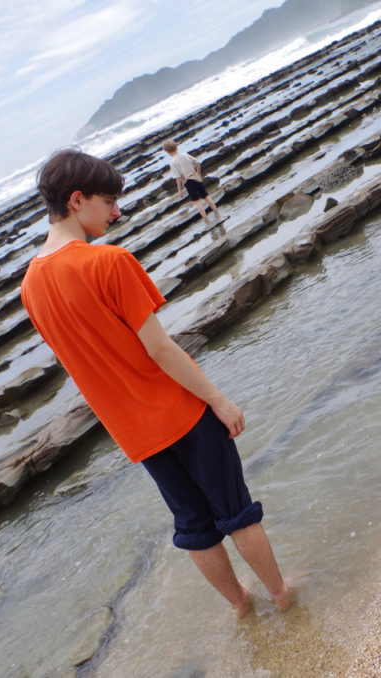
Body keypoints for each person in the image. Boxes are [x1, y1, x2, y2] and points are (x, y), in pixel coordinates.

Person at [20, 148, 292, 618]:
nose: (117, 211)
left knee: (193, 525)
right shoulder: (108, 262)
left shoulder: (30, 286)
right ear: (77, 199)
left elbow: (82, 360)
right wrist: (219, 400)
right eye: (109, 202)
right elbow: (161, 349)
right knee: (235, 510)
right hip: (181, 412)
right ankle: (284, 597)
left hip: (133, 433)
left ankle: (241, 607)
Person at [162, 140, 222, 224]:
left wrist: (179, 190)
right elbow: (198, 163)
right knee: (206, 196)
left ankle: (206, 219)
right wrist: (199, 174)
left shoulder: (173, 162)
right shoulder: (185, 155)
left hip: (188, 182)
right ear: (176, 147)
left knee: (197, 202)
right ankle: (216, 212)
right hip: (196, 178)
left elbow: (178, 177)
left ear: (167, 151)